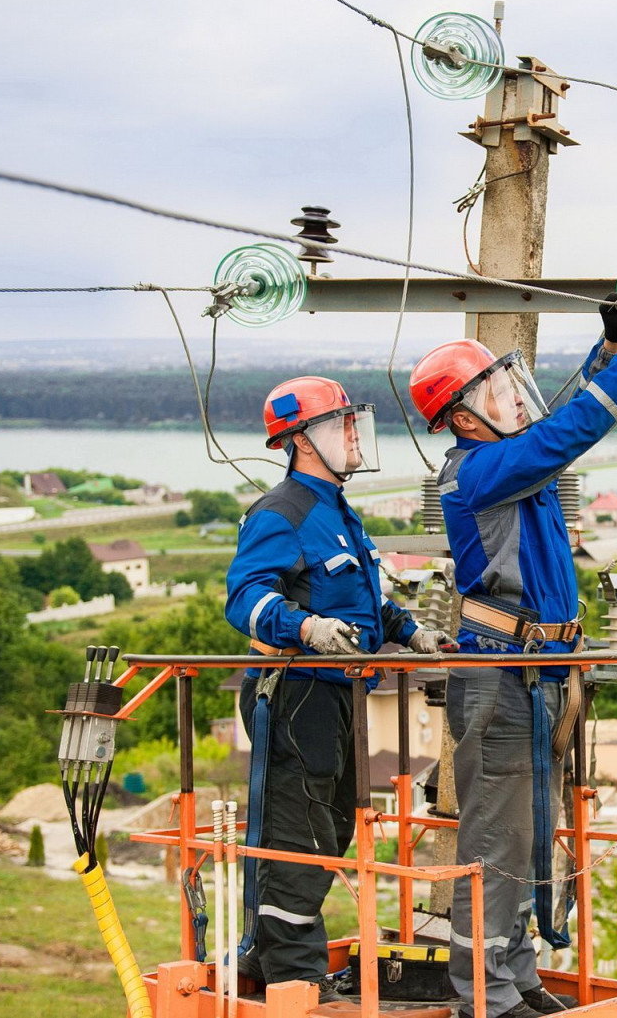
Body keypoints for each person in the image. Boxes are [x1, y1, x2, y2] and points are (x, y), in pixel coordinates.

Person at [408, 290, 617, 1018]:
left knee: (527, 834)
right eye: (494, 389)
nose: (511, 399)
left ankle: (515, 975)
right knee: (495, 838)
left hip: (536, 674)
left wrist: (608, 350)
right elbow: (565, 434)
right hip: (501, 675)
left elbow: (550, 423)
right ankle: (484, 997)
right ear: (463, 415)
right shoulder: (476, 474)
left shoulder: (505, 462)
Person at [225, 376, 451, 1000]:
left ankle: (257, 956)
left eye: (355, 423)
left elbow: (367, 598)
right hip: (295, 693)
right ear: (302, 439)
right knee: (302, 834)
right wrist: (305, 626)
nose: (355, 435)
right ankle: (294, 977)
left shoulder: (337, 513)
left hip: (338, 695)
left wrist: (413, 633)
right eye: (341, 425)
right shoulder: (281, 513)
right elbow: (244, 598)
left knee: (335, 830)